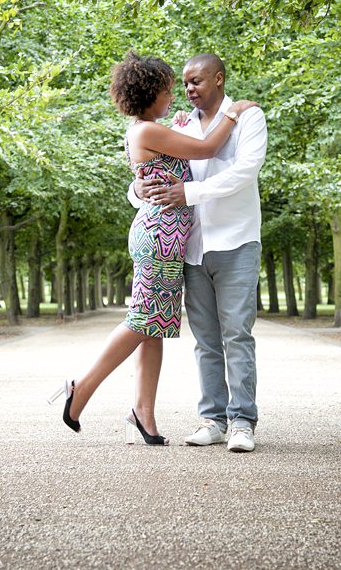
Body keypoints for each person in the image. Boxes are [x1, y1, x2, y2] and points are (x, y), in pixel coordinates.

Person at [49, 51, 258, 446]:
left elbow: (154, 177)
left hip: (168, 236)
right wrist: (236, 112)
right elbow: (209, 149)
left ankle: (142, 413)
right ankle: (81, 388)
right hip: (159, 237)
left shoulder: (152, 130)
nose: (174, 98)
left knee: (155, 326)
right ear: (151, 93)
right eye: (168, 90)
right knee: (143, 319)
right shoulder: (146, 131)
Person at [132, 53, 268, 453]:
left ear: (219, 79)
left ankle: (243, 421)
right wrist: (136, 190)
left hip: (237, 241)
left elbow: (245, 171)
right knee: (205, 340)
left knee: (237, 335)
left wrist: (188, 192)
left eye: (196, 81)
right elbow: (151, 176)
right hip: (191, 247)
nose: (188, 90)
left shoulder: (247, 117)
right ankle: (213, 419)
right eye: (185, 84)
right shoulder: (180, 125)